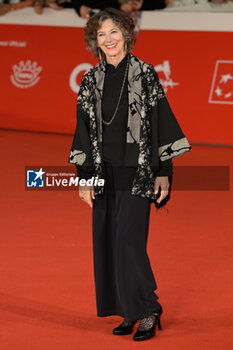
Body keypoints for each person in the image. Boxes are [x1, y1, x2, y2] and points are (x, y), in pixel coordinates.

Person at [68, 8, 191, 341]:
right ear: (95, 40)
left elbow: (162, 121)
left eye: (114, 33)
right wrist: (84, 178)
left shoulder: (144, 73)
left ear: (126, 34)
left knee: (128, 242)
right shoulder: (91, 80)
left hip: (137, 172)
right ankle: (129, 310)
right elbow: (83, 131)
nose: (108, 40)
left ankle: (149, 308)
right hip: (103, 172)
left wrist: (164, 172)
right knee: (108, 243)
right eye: (101, 35)